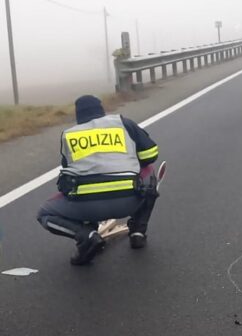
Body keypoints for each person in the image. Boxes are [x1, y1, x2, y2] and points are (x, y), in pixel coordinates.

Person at [37, 95, 160, 265]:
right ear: (101, 110)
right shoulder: (123, 123)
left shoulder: (68, 135)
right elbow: (151, 154)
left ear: (78, 115)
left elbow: (68, 169)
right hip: (129, 200)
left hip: (85, 207)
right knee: (149, 172)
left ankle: (86, 235)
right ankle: (138, 232)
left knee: (44, 213)